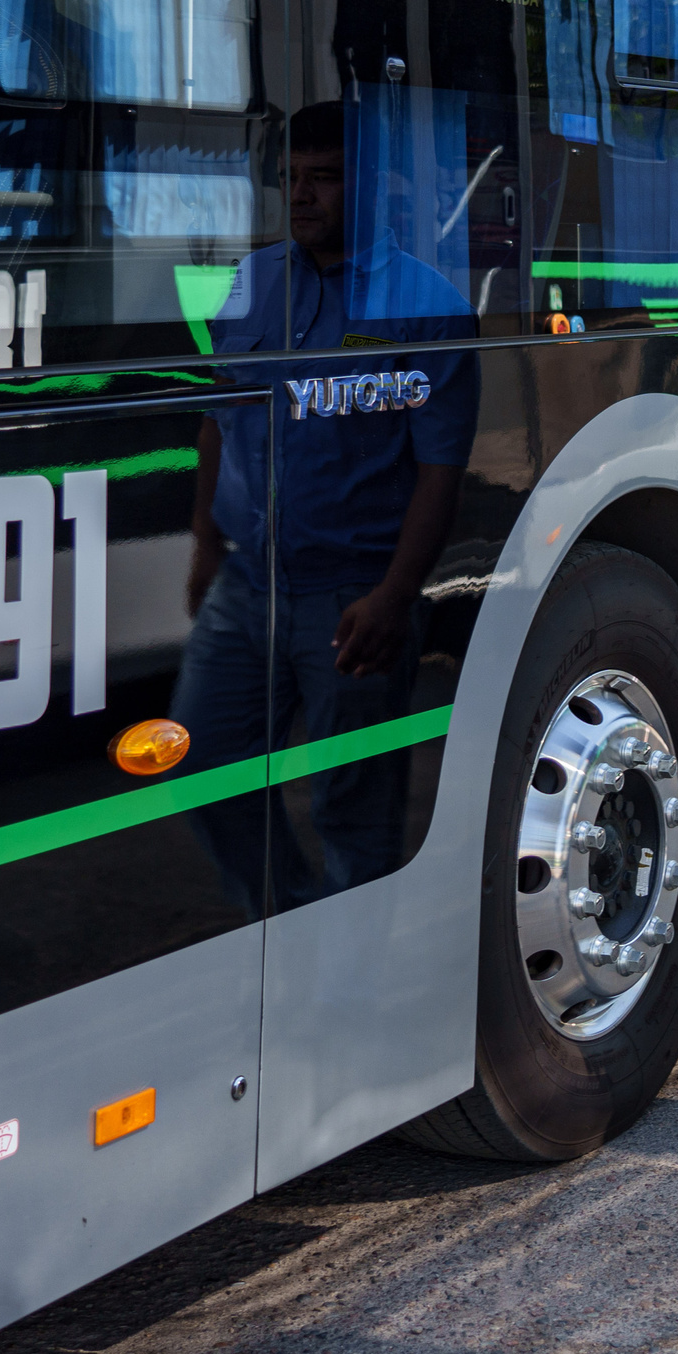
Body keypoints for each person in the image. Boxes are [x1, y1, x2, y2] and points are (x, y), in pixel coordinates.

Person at [176, 99, 481, 909]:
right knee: (203, 767)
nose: (303, 196)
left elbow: (440, 473)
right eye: (293, 178)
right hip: (247, 588)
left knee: (353, 815)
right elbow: (219, 417)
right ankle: (292, 928)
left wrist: (395, 596)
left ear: (371, 189)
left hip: (354, 596)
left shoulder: (428, 306)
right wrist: (206, 544)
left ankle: (353, 970)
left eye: (325, 178)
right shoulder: (254, 280)